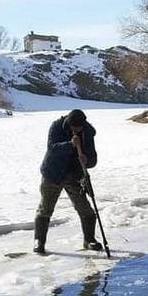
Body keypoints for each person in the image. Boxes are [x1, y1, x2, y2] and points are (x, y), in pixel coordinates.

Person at [34, 109, 101, 254]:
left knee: (86, 210)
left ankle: (89, 239)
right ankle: (39, 241)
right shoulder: (57, 126)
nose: (76, 130)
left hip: (74, 175)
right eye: (73, 127)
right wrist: (70, 144)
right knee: (45, 208)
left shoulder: (88, 132)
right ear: (69, 124)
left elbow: (93, 158)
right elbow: (52, 149)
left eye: (79, 127)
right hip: (53, 173)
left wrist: (87, 160)